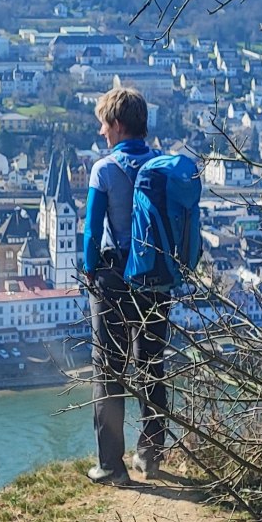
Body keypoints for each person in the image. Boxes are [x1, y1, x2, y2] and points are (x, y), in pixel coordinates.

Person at [81, 86, 173, 483]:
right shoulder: (163, 166)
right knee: (152, 366)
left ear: (117, 124)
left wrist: (90, 271)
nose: (102, 131)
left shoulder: (104, 169)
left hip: (115, 279)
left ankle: (111, 465)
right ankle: (150, 455)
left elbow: (90, 232)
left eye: (104, 123)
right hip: (155, 279)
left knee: (110, 370)